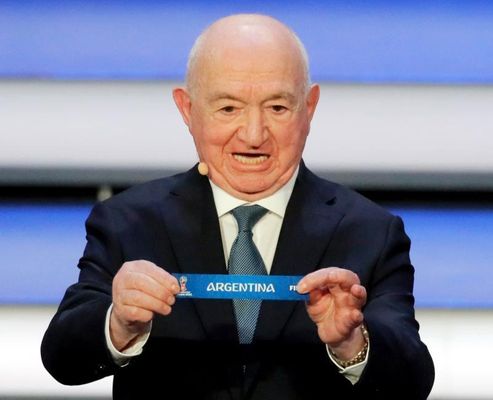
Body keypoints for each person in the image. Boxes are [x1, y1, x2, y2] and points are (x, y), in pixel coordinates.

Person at [41, 14, 434, 399]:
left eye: (277, 108)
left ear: (309, 108)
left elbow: (413, 380)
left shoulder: (370, 231)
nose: (253, 134)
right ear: (187, 110)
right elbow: (63, 358)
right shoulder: (128, 222)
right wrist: (118, 324)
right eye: (229, 108)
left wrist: (353, 344)